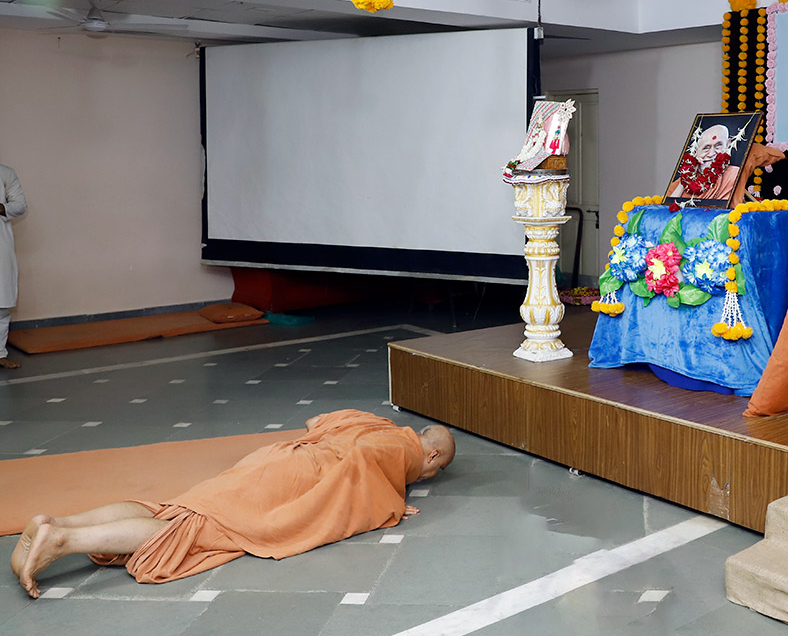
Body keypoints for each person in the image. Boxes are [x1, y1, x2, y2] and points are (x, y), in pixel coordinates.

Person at [11, 409, 455, 598]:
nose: (428, 475)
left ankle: (57, 523)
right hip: (294, 480)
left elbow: (317, 421)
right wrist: (388, 499)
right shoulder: (403, 450)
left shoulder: (375, 421)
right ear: (431, 454)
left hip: (274, 460)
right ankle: (66, 541)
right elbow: (364, 461)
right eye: (435, 469)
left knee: (178, 507)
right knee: (192, 531)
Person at [668, 123, 742, 201]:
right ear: (696, 152)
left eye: (718, 146)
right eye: (706, 148)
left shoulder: (734, 174)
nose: (711, 154)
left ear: (727, 144)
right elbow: (667, 206)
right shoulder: (679, 183)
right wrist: (685, 180)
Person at [0, 164, 26, 369]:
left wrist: (2, 208)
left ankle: (0, 354)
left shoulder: (5, 173)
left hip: (1, 246)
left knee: (0, 304)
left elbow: (20, 205)